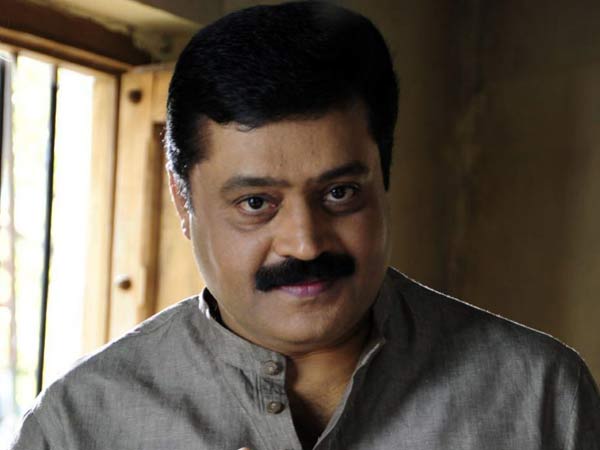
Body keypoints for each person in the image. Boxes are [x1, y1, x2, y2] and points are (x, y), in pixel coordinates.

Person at [10, 2, 600, 449]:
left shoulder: (541, 395)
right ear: (183, 202)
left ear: (384, 179)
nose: (305, 242)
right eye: (256, 203)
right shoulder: (78, 425)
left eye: (339, 194)